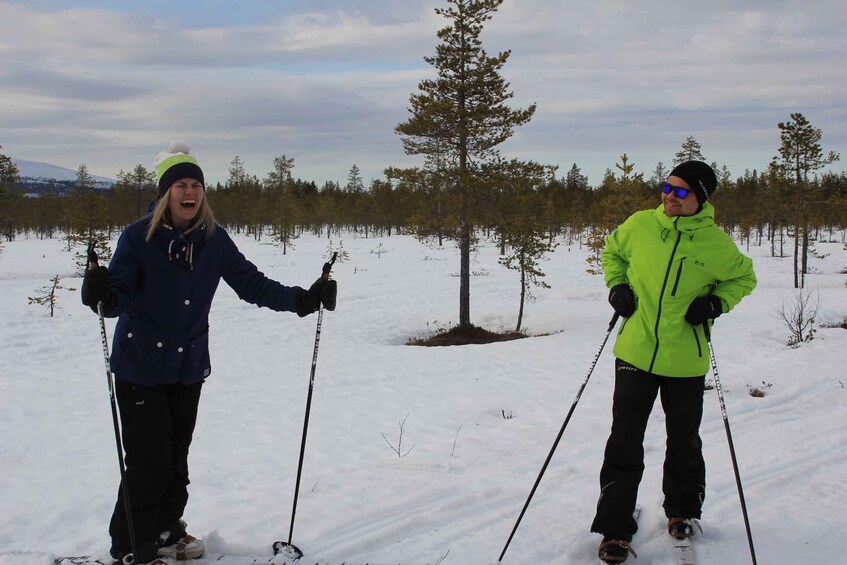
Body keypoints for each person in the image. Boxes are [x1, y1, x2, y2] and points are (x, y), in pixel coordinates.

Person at [81, 142, 337, 565]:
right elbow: (117, 298)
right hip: (140, 367)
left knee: (176, 462)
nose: (190, 192)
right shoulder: (138, 237)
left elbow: (252, 283)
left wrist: (302, 300)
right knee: (149, 462)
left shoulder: (213, 240)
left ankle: (166, 530)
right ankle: (131, 545)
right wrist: (102, 294)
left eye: (196, 184)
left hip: (187, 368)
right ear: (166, 193)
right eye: (180, 184)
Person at [591, 160, 756, 564]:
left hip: (685, 359)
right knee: (624, 441)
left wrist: (716, 302)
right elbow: (612, 252)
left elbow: (744, 278)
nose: (669, 196)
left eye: (681, 191)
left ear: (700, 197)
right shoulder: (641, 225)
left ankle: (682, 511)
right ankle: (615, 529)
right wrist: (617, 288)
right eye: (666, 187)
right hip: (635, 352)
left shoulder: (715, 245)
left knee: (684, 440)